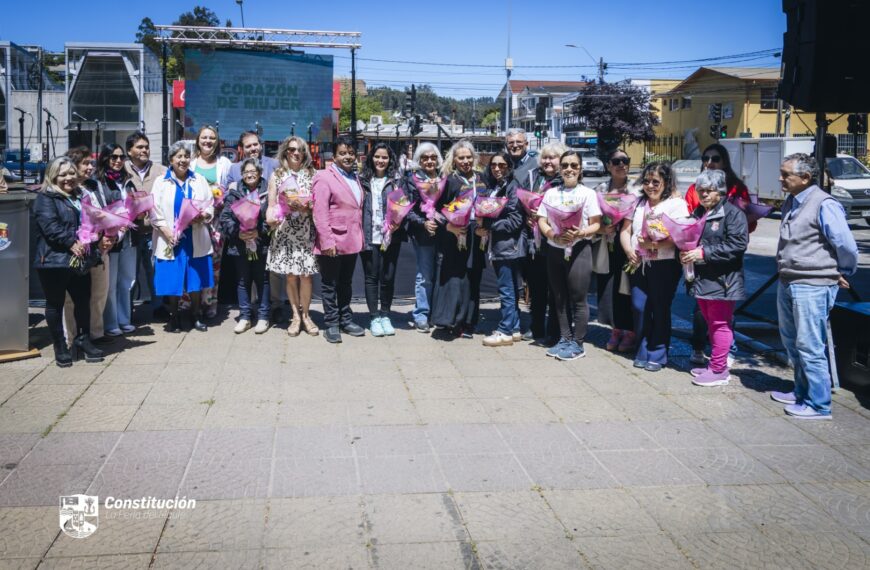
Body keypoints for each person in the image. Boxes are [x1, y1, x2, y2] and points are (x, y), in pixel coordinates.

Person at [770, 153, 858, 420]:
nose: (781, 178)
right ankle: (802, 391)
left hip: (812, 283)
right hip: (789, 279)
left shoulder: (823, 203)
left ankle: (819, 404)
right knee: (792, 341)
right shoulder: (792, 201)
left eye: (786, 175)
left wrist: (842, 271)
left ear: (806, 178)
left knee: (810, 344)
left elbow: (845, 244)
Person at [680, 170, 748, 386]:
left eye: (709, 191)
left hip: (723, 279)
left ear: (720, 190)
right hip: (702, 277)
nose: (704, 195)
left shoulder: (733, 213)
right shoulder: (700, 212)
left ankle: (719, 370)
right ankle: (714, 365)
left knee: (720, 323)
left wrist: (703, 253)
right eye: (700, 191)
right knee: (710, 322)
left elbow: (738, 244)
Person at [33, 157, 103, 366]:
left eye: (71, 173)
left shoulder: (81, 195)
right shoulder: (46, 198)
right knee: (55, 304)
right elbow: (50, 226)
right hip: (54, 260)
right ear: (53, 176)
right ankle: (60, 346)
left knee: (83, 301)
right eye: (62, 174)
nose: (68, 178)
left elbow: (91, 221)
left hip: (80, 259)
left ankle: (83, 340)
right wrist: (72, 242)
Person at [620, 161, 689, 371]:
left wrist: (655, 243)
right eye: (647, 181)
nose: (650, 185)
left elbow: (682, 236)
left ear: (666, 183)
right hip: (639, 263)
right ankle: (642, 348)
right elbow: (625, 230)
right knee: (640, 307)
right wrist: (629, 251)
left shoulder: (676, 204)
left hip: (665, 264)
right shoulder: (638, 203)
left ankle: (658, 352)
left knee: (660, 308)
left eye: (656, 181)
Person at [537, 150, 602, 361]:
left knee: (578, 299)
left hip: (579, 250)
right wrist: (551, 235)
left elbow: (596, 224)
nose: (569, 169)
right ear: (560, 168)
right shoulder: (551, 193)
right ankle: (564, 338)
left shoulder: (588, 194)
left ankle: (578, 343)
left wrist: (580, 233)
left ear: (580, 168)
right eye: (565, 165)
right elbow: (542, 219)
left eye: (574, 165)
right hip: (555, 249)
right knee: (558, 297)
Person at [150, 141, 215, 332]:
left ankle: (196, 315)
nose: (183, 160)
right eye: (179, 156)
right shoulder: (161, 182)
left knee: (195, 279)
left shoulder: (199, 180)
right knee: (172, 280)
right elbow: (154, 210)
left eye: (186, 156)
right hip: (171, 239)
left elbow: (209, 203)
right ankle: (175, 317)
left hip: (194, 236)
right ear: (171, 159)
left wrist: (203, 215)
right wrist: (167, 232)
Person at [311, 136, 365, 343]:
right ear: (334, 156)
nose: (347, 156)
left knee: (346, 283)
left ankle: (346, 319)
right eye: (342, 153)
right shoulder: (324, 177)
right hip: (332, 240)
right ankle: (332, 323)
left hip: (351, 240)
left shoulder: (355, 177)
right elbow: (320, 212)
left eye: (351, 152)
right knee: (329, 284)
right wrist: (326, 241)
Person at [430, 139, 487, 337]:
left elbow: (489, 204)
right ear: (454, 160)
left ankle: (469, 322)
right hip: (455, 234)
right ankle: (450, 320)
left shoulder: (482, 178)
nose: (465, 161)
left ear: (474, 158)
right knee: (455, 278)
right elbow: (435, 210)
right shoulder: (448, 181)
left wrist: (485, 226)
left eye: (468, 157)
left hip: (477, 234)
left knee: (473, 278)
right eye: (461, 157)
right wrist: (450, 227)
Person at [265, 135, 319, 337]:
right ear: (285, 152)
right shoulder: (277, 175)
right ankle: (295, 316)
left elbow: (319, 204)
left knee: (306, 276)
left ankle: (307, 316)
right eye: (292, 149)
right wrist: (270, 220)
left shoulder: (312, 174)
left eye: (300, 150)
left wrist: (307, 206)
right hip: (285, 231)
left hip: (305, 230)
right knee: (290, 276)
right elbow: (271, 206)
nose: (296, 153)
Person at [63, 146, 113, 345]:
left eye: (92, 163)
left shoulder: (95, 186)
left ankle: (96, 333)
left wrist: (111, 234)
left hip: (100, 248)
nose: (90, 167)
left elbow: (105, 212)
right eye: (85, 163)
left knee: (100, 292)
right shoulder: (66, 190)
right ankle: (72, 337)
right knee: (71, 299)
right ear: (73, 166)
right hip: (77, 249)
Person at [521, 141, 566, 344]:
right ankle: (536, 327)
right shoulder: (535, 177)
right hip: (534, 241)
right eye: (545, 157)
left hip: (554, 240)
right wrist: (528, 215)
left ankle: (555, 331)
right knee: (536, 287)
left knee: (554, 289)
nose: (548, 161)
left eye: (553, 157)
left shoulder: (563, 181)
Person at [480, 152, 527, 347]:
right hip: (500, 245)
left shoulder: (513, 187)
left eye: (501, 165)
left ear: (509, 166)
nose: (497, 168)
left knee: (506, 289)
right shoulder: (496, 186)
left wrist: (489, 227)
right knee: (511, 289)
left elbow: (515, 220)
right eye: (493, 165)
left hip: (508, 245)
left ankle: (505, 330)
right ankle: (514, 328)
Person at [220, 157, 271, 334]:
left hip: (261, 243)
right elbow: (225, 218)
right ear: (242, 174)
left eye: (253, 172)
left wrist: (259, 231)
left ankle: (264, 316)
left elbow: (274, 217)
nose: (250, 175)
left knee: (262, 280)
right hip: (240, 244)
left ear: (260, 173)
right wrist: (238, 232)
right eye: (246, 172)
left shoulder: (268, 191)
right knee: (242, 281)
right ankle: (245, 316)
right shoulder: (234, 192)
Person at [594, 149, 638, 352]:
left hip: (631, 246)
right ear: (608, 165)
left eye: (625, 161)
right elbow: (592, 216)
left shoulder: (638, 189)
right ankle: (616, 328)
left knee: (627, 290)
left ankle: (630, 330)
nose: (621, 164)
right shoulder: (600, 189)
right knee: (610, 288)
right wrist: (603, 227)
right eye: (616, 161)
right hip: (608, 244)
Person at [359, 143, 405, 336]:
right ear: (371, 158)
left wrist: (398, 222)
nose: (380, 160)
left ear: (390, 160)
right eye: (377, 157)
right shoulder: (361, 180)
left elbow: (403, 205)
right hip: (369, 236)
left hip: (390, 237)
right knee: (372, 277)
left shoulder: (396, 181)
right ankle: (374, 317)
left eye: (384, 157)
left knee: (388, 277)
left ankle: (385, 315)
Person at [123, 132, 167, 321]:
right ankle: (126, 310)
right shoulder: (121, 169)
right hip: (129, 233)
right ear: (129, 151)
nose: (144, 150)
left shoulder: (161, 170)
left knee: (154, 270)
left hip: (153, 231)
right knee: (128, 273)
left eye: (146, 146)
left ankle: (159, 307)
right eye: (139, 147)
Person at [95, 144, 138, 337]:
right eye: (113, 157)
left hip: (129, 237)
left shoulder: (128, 181)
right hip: (111, 238)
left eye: (121, 157)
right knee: (110, 283)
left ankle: (124, 319)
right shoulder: (100, 182)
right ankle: (110, 322)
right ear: (105, 158)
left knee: (127, 280)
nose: (118, 161)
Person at [191, 125, 232, 319]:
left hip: (216, 222)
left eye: (212, 138)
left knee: (215, 264)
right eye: (204, 137)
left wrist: (221, 198)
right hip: (193, 221)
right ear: (198, 140)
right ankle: (193, 303)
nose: (208, 141)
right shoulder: (190, 163)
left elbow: (230, 188)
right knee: (195, 262)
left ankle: (211, 303)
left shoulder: (224, 163)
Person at [403, 143, 444, 333]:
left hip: (445, 232)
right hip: (423, 234)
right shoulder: (411, 180)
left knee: (441, 275)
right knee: (425, 276)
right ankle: (421, 315)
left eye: (433, 157)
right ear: (419, 161)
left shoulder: (445, 178)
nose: (429, 161)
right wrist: (423, 222)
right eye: (425, 158)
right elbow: (405, 208)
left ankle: (437, 314)